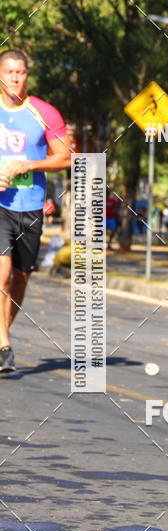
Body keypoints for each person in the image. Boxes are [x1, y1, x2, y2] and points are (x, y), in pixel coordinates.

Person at [0, 49, 71, 373]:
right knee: (1, 275)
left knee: (20, 278)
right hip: (1, 205)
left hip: (30, 207)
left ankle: (2, 335)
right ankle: (3, 345)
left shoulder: (44, 112)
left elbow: (65, 157)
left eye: (20, 72)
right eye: (8, 71)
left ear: (28, 75)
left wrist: (30, 164)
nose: (14, 77)